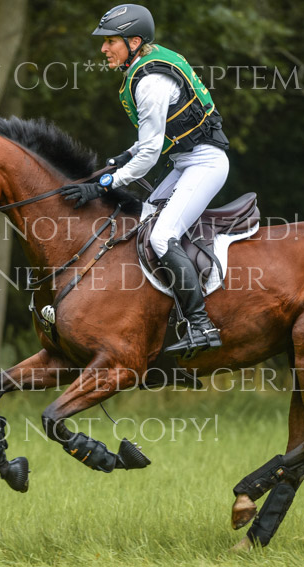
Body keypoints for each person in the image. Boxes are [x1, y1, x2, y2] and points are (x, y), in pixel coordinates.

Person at [61, 4, 231, 357]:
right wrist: (119, 159)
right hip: (185, 163)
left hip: (205, 164)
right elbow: (147, 142)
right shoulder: (145, 67)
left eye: (110, 42)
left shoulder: (151, 81)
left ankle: (201, 325)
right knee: (141, 226)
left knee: (161, 236)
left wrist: (104, 185)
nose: (104, 49)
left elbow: (150, 154)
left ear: (134, 42)